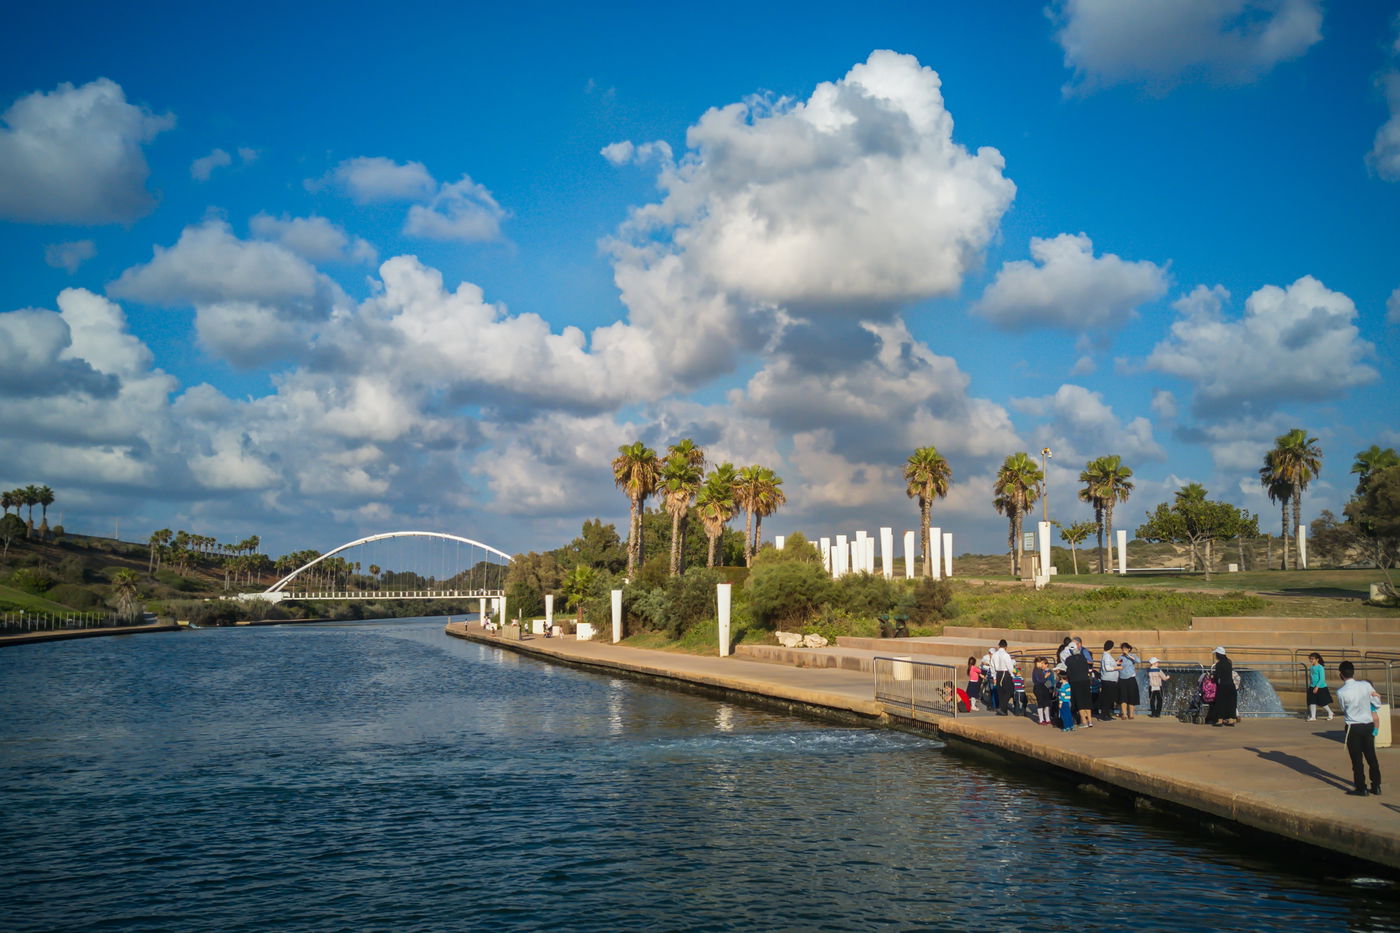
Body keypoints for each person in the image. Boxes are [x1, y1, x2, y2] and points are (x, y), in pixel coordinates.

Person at [1336, 660, 1383, 796]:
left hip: (1353, 727)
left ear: (1341, 674)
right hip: (1368, 725)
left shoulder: (1341, 692)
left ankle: (1361, 787)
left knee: (1357, 760)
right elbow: (1376, 703)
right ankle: (1376, 786)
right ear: (1353, 672)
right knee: (1371, 757)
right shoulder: (1365, 685)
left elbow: (1343, 708)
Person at [1064, 638, 1093, 728]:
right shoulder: (1083, 658)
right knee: (1087, 701)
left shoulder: (1068, 660)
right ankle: (1090, 721)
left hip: (1075, 682)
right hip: (1085, 681)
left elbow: (1068, 672)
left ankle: (1084, 722)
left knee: (1079, 702)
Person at [1207, 647, 1238, 727]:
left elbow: (1217, 677)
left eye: (1216, 654)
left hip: (1223, 686)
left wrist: (1212, 678)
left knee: (1220, 702)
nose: (1216, 656)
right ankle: (1231, 719)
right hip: (1231, 685)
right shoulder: (1229, 663)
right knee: (1230, 702)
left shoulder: (1219, 665)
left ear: (1219, 654)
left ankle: (1219, 720)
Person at [990, 639, 1016, 716]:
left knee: (1000, 692)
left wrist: (994, 676)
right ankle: (1002, 707)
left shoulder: (994, 654)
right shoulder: (1006, 655)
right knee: (1010, 691)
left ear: (999, 646)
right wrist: (1012, 675)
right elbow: (1009, 666)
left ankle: (1004, 710)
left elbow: (992, 666)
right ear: (1006, 646)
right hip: (1005, 673)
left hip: (998, 673)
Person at [1306, 652, 1335, 722]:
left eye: (1312, 659)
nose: (1311, 660)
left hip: (1321, 687)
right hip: (1312, 686)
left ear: (1317, 659)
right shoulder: (1312, 667)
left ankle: (1330, 713)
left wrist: (1317, 687)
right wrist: (1311, 686)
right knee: (1312, 702)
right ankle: (1313, 717)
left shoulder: (1320, 667)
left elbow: (1322, 679)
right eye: (1310, 659)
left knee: (1323, 702)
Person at [1098, 640, 1120, 721]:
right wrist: (1117, 667)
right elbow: (1107, 668)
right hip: (1108, 680)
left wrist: (1116, 662)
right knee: (1107, 698)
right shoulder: (1106, 656)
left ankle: (1107, 714)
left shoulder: (1107, 655)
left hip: (1110, 680)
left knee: (1110, 698)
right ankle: (1104, 715)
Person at [1118, 642, 1140, 720]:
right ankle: (1124, 714)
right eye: (1122, 649)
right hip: (1122, 679)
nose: (1123, 650)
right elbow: (1118, 665)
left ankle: (1131, 714)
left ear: (1129, 649)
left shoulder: (1132, 656)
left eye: (1125, 649)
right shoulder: (1120, 657)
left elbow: (1138, 661)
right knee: (1123, 697)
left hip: (1131, 678)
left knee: (1131, 696)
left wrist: (1128, 655)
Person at [1032, 657, 1054, 725]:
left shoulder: (1042, 670)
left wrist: (1050, 688)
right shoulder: (1036, 670)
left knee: (1046, 703)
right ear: (1036, 663)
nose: (1042, 665)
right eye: (1040, 663)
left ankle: (1047, 719)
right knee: (1040, 704)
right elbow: (1039, 680)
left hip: (1044, 688)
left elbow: (1048, 682)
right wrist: (1045, 676)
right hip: (1038, 688)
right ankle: (1041, 720)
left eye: (1043, 663)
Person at [1055, 663, 1075, 732]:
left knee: (1064, 715)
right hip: (1068, 701)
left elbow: (1062, 695)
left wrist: (1060, 703)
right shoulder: (1068, 685)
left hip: (1063, 702)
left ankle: (1066, 727)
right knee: (1069, 714)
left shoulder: (1063, 687)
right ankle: (1071, 725)